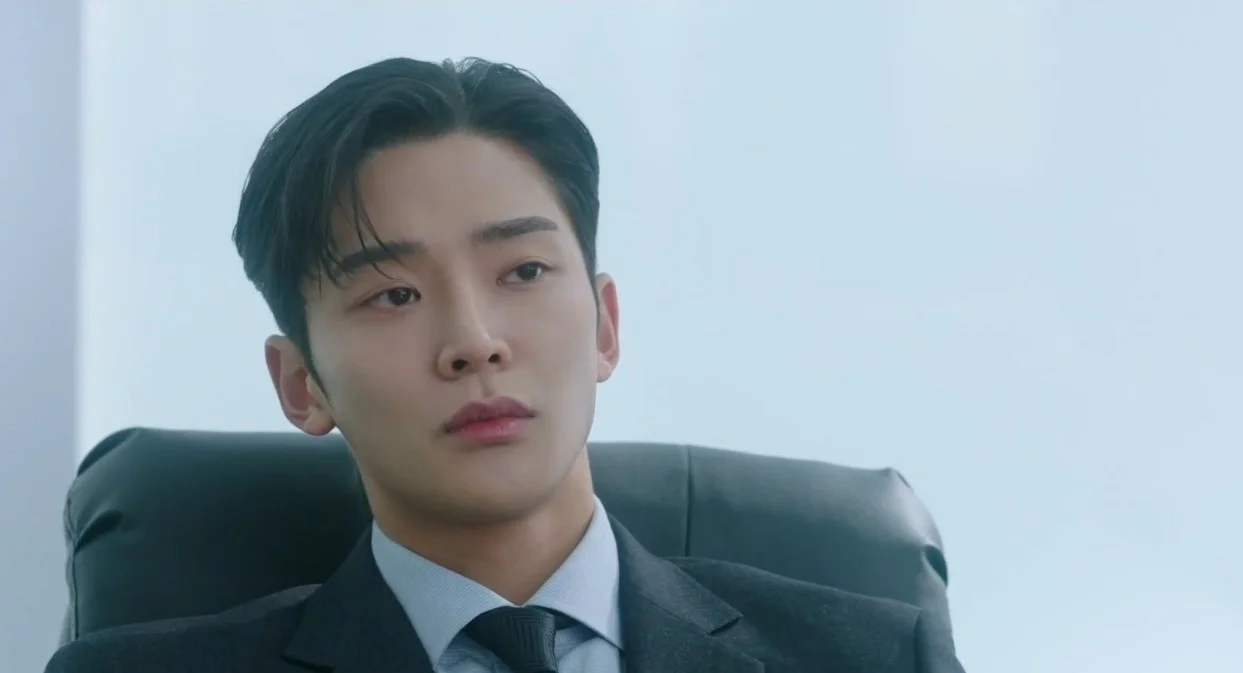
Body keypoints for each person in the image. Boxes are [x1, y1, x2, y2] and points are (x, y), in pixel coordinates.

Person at [46, 57, 966, 673]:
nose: (474, 339)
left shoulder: (875, 657)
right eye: (393, 295)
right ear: (302, 384)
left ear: (604, 326)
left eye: (522, 271)